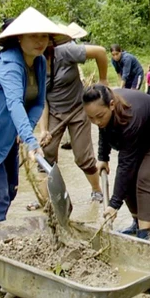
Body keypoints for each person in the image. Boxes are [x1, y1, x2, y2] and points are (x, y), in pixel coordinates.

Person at [0, 8, 70, 225]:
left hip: (9, 134)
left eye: (43, 36)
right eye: (33, 35)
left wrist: (24, 133)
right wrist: (32, 142)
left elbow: (38, 103)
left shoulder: (39, 62)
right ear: (19, 37)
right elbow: (14, 102)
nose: (40, 41)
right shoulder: (9, 64)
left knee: (11, 190)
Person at [84, 85, 150, 240]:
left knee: (145, 180)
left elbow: (125, 165)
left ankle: (144, 235)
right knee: (128, 180)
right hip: (142, 138)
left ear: (111, 105)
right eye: (91, 118)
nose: (96, 121)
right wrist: (103, 157)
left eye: (99, 116)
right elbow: (103, 129)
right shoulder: (104, 112)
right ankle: (137, 223)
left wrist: (113, 205)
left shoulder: (130, 115)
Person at [37, 25, 110, 206]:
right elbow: (41, 101)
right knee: (46, 152)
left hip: (78, 109)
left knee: (82, 155)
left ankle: (96, 190)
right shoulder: (30, 66)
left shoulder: (65, 51)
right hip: (54, 112)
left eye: (41, 39)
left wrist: (103, 80)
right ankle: (46, 200)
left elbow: (100, 52)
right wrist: (44, 129)